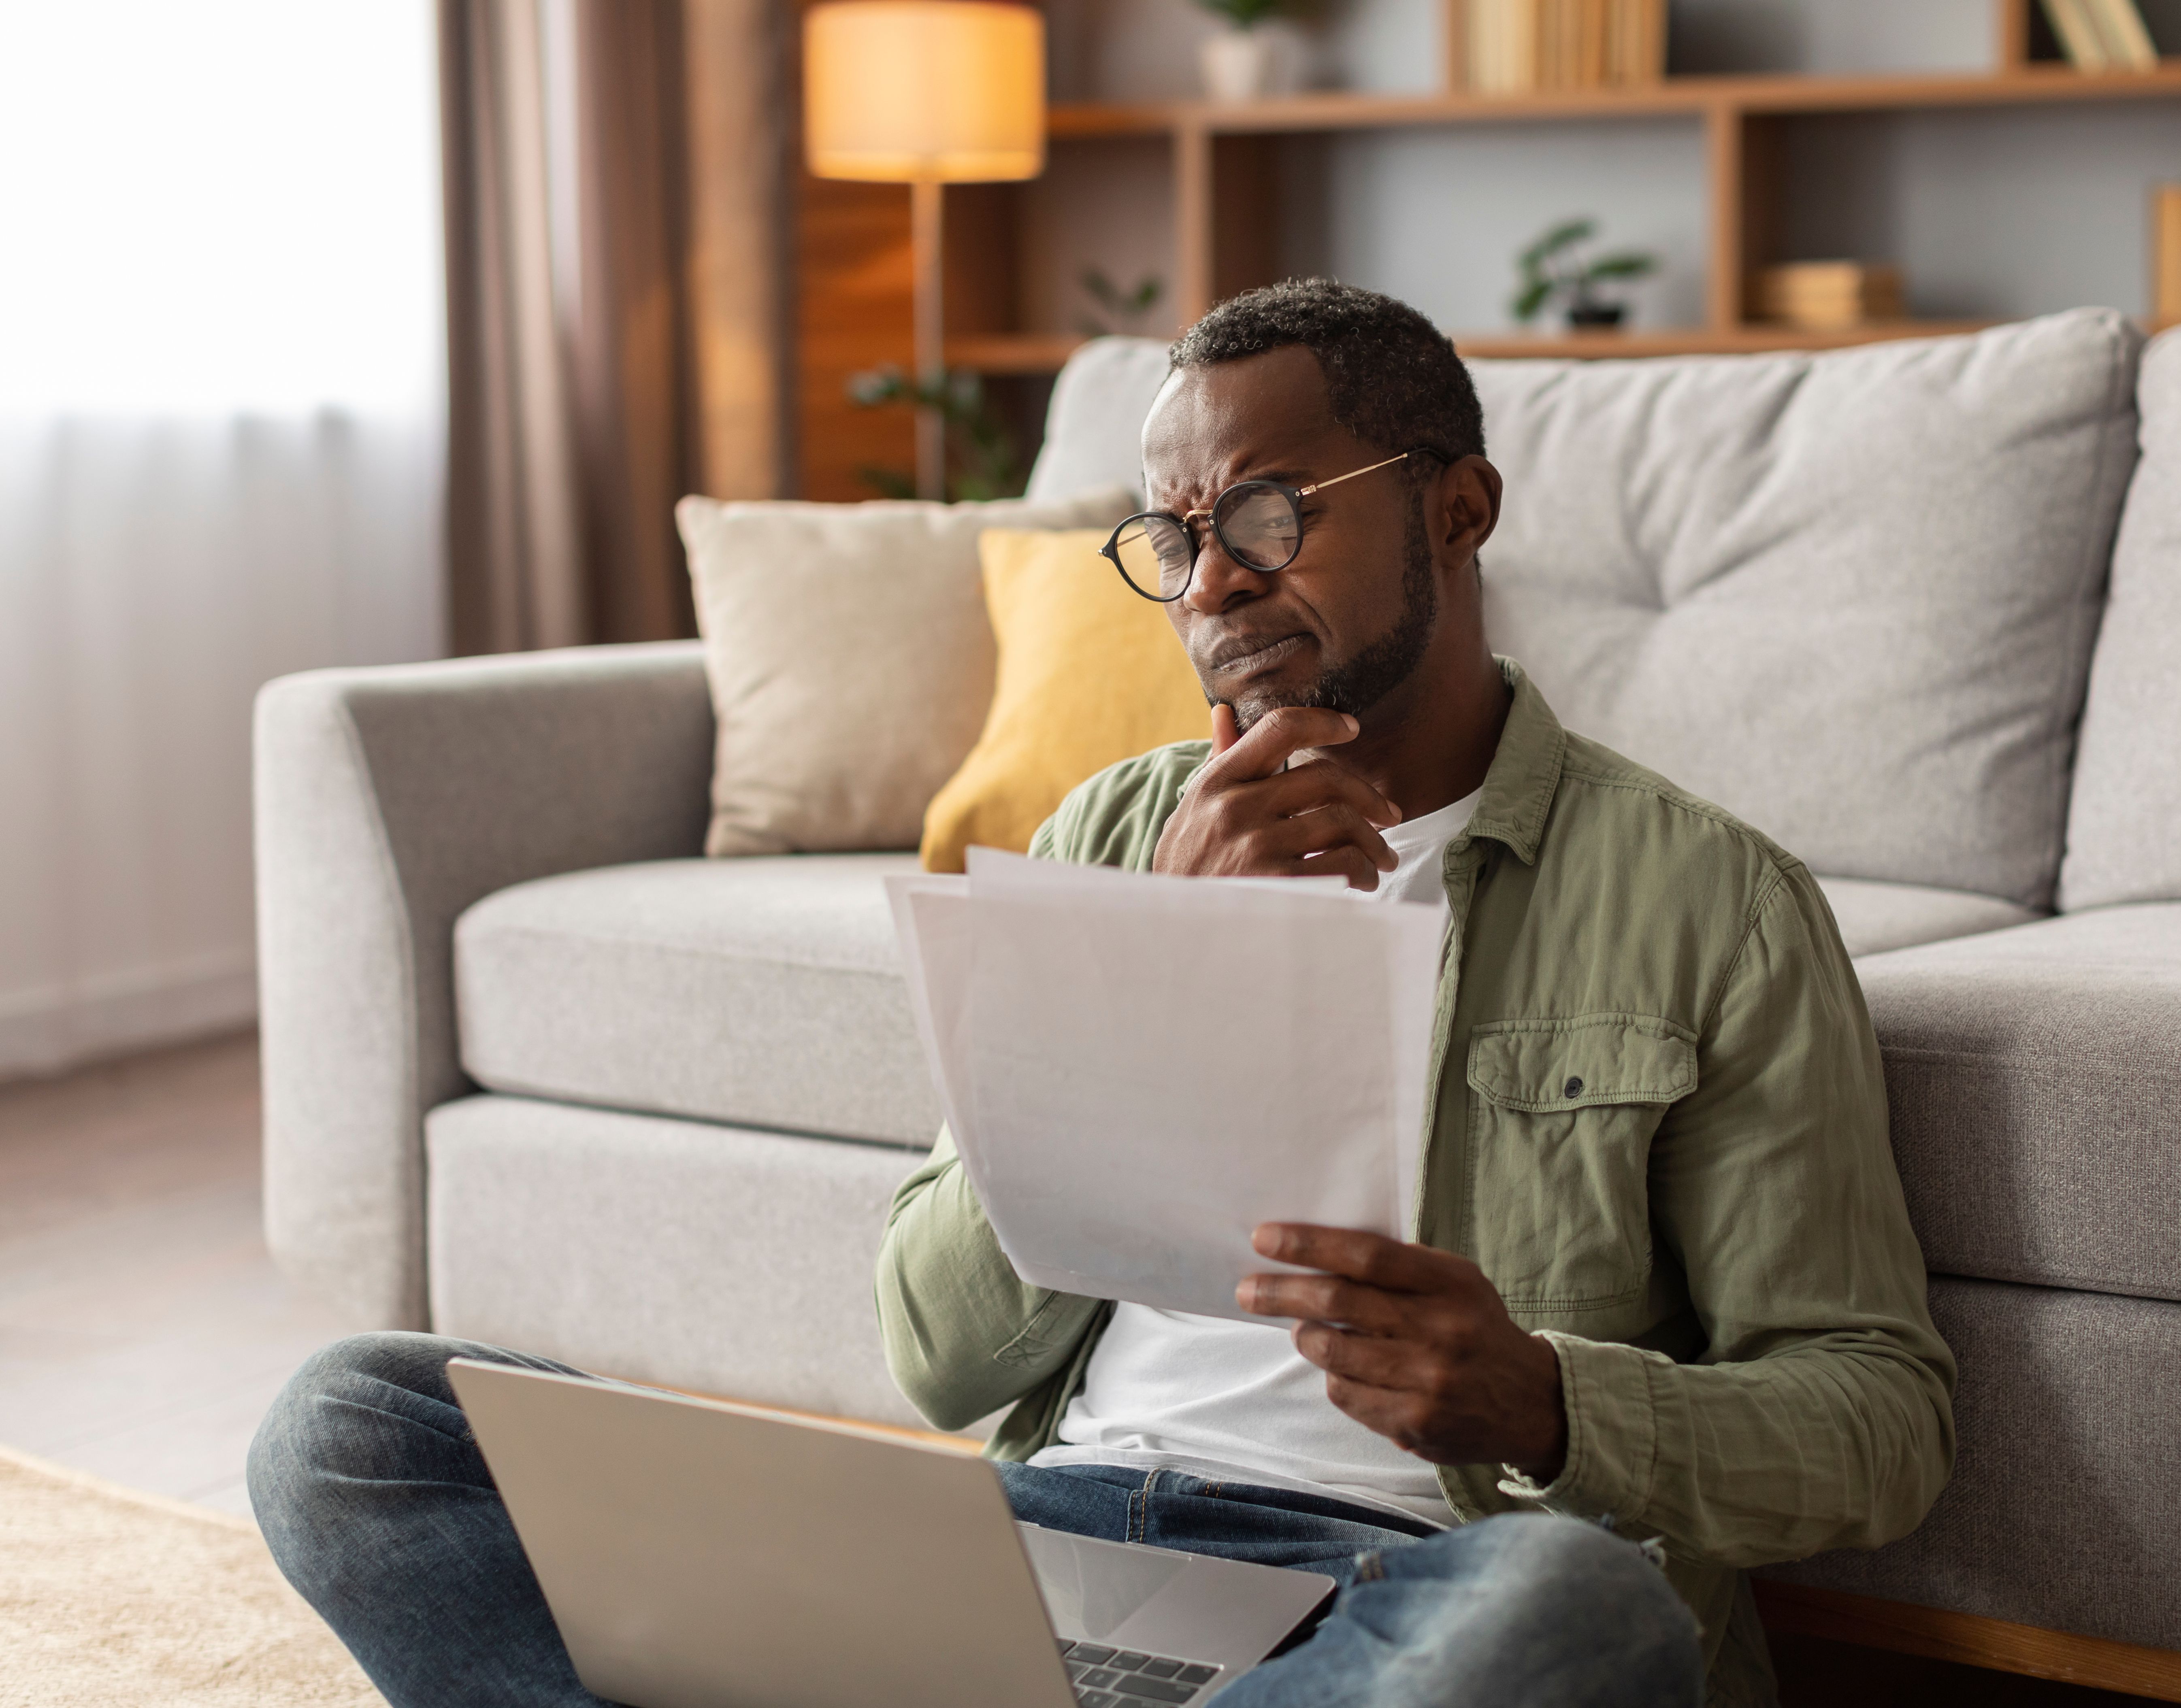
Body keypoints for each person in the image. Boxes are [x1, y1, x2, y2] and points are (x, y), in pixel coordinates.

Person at [249, 280, 1954, 1708]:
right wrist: (1147, 957)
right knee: (355, 1425)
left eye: (1271, 514)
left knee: (1568, 1620)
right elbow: (933, 1349)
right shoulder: (1112, 832)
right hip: (1036, 1556)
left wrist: (1546, 1397)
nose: (1208, 584)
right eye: (1175, 535)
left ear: (1456, 503)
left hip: (1393, 1597)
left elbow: (1874, 1419)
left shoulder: (1708, 901)